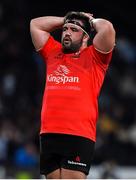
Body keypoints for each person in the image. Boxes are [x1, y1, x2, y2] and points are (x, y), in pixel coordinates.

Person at [30, 11, 116, 179]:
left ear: (85, 37)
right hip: (49, 132)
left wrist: (89, 20)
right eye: (65, 29)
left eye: (74, 29)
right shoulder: (53, 52)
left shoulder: (95, 57)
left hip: (77, 133)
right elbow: (35, 24)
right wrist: (65, 19)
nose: (67, 32)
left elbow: (107, 28)